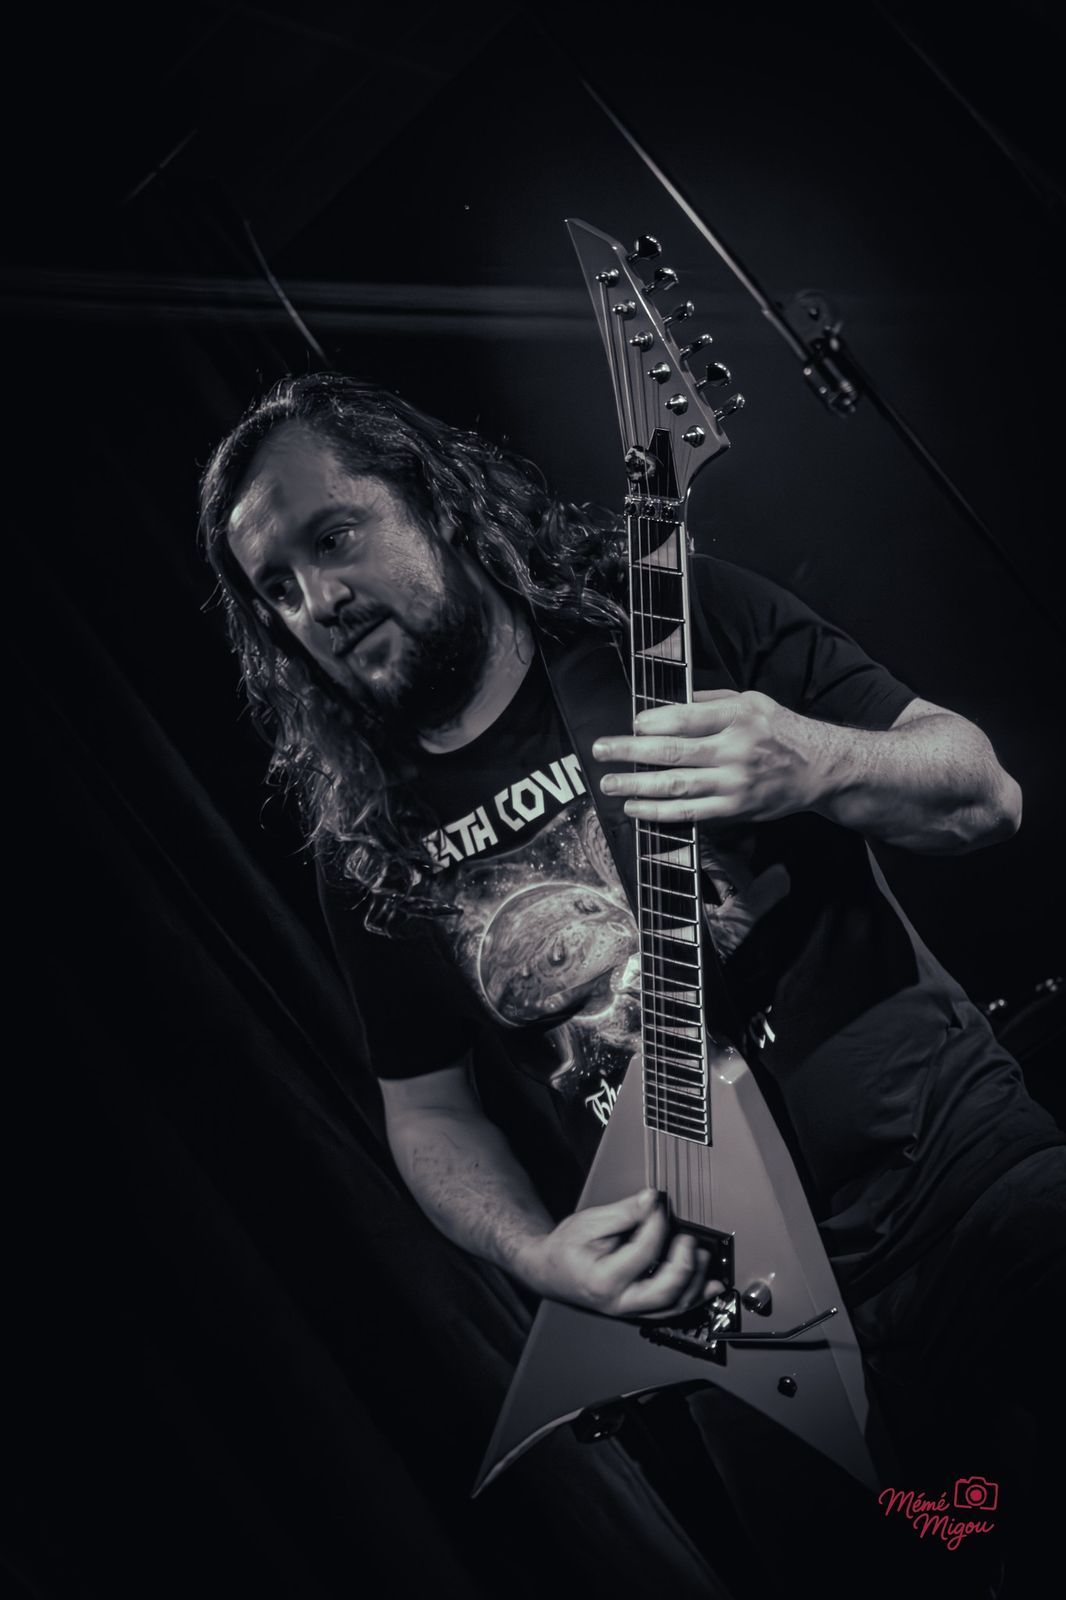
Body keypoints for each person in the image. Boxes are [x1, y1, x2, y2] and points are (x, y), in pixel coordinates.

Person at [200, 372, 1064, 1598]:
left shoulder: (661, 625)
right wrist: (538, 1251)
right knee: (952, 1547)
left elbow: (981, 792)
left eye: (332, 536)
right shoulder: (370, 846)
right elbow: (427, 1108)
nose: (318, 602)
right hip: (737, 1320)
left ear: (433, 499)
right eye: (277, 589)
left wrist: (812, 760)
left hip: (957, 1185)